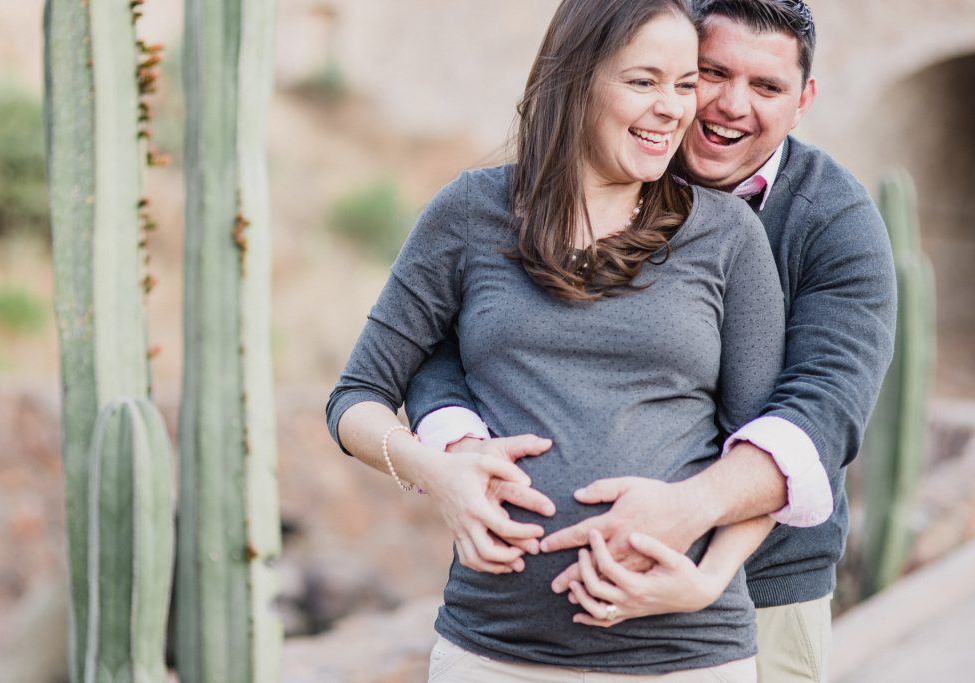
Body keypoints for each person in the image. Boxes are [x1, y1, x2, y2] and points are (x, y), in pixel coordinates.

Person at [405, 1, 898, 681]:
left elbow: (822, 412)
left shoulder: (833, 221)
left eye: (766, 87)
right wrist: (454, 440)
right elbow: (457, 334)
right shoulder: (595, 178)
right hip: (523, 623)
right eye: (711, 73)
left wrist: (691, 525)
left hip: (763, 592)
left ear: (804, 99)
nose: (728, 105)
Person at [326, 0, 791, 679]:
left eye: (686, 84)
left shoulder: (726, 237)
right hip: (491, 653)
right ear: (577, 79)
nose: (673, 107)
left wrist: (709, 577)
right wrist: (441, 474)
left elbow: (766, 449)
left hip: (685, 657)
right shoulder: (470, 213)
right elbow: (356, 399)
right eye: (644, 81)